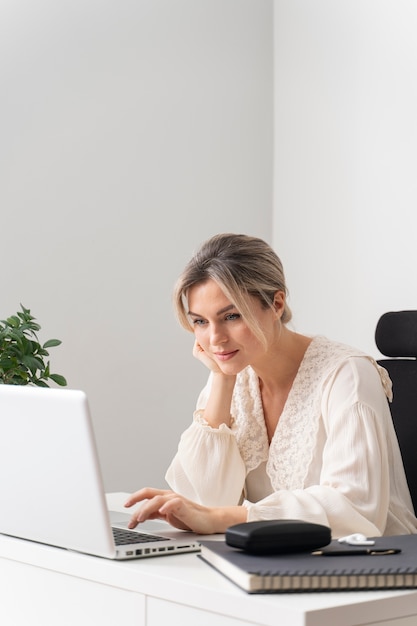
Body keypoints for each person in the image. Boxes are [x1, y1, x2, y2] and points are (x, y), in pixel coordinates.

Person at [125, 233, 417, 537]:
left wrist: (225, 517)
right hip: (278, 558)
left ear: (276, 304)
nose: (215, 339)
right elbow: (203, 504)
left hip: (374, 565)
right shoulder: (233, 373)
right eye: (200, 321)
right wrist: (222, 379)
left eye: (231, 316)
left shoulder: (346, 375)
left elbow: (355, 509)